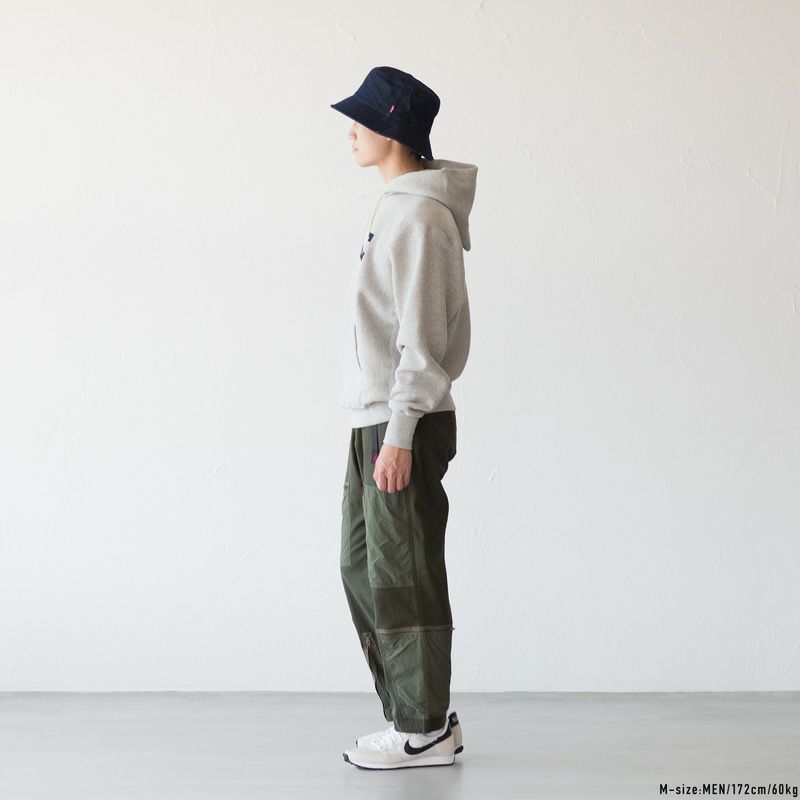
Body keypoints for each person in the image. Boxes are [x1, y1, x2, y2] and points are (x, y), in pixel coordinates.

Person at [330, 66, 477, 770]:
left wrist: (401, 431)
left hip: (402, 423)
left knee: (403, 572)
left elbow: (423, 340)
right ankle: (412, 717)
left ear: (392, 128)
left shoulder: (420, 218)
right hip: (377, 419)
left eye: (360, 119)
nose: (349, 132)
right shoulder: (393, 208)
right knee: (363, 566)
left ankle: (424, 727)